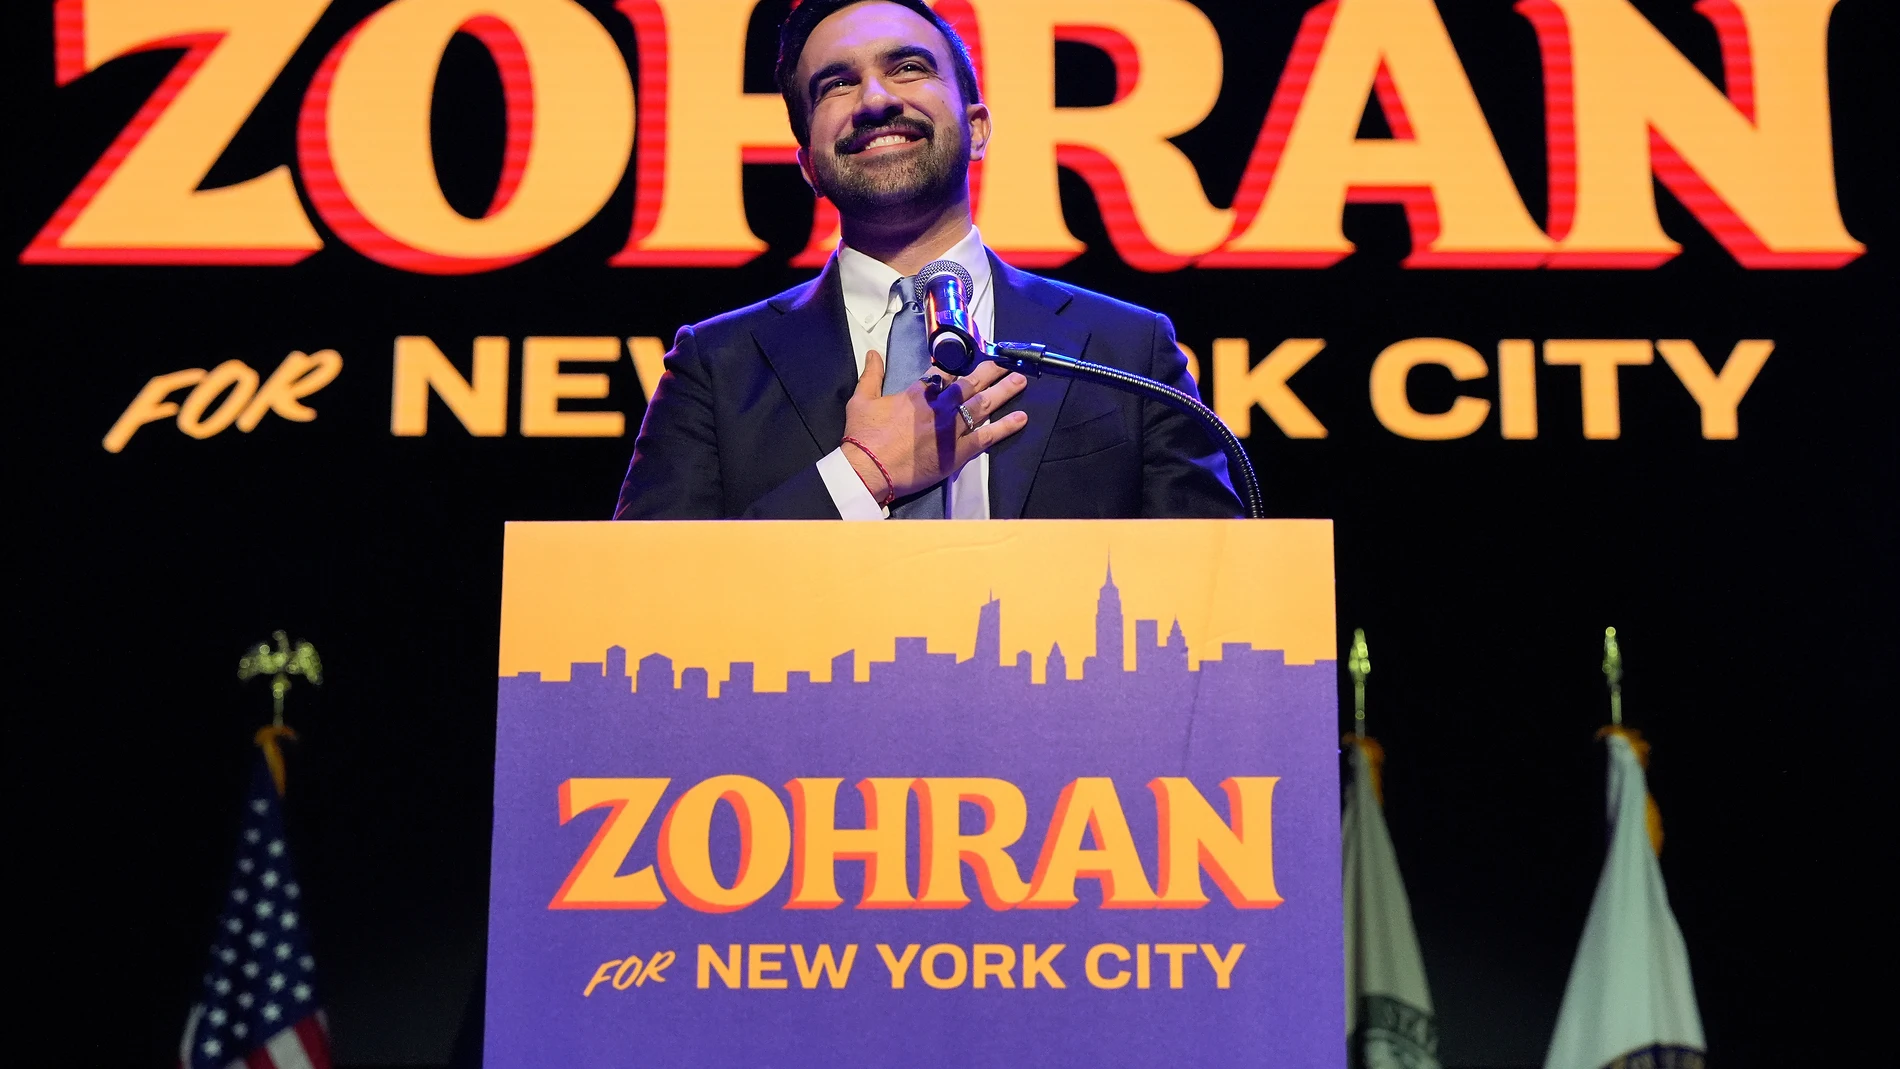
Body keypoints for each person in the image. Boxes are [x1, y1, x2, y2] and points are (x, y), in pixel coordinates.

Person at [614, 0, 1242, 520]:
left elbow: (1214, 598)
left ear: (978, 128)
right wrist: (859, 477)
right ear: (808, 164)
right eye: (837, 83)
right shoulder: (716, 367)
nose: (875, 100)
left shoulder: (1126, 349)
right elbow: (642, 598)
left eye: (909, 67)